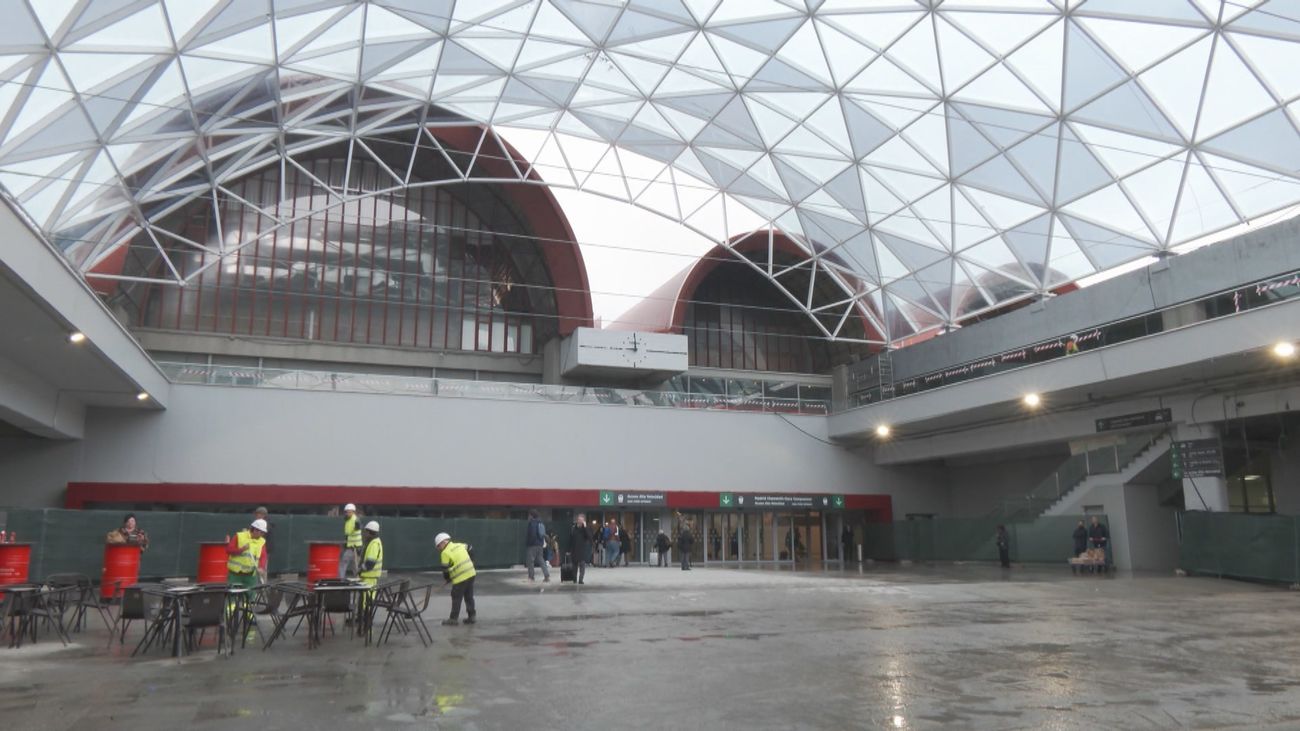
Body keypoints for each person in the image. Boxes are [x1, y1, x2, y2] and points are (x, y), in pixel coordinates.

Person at [436, 532, 476, 625]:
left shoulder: (445, 553)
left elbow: (445, 570)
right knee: (469, 596)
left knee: (456, 597)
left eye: (438, 546)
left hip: (460, 578)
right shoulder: (459, 545)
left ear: (443, 542)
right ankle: (472, 616)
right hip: (471, 574)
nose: (438, 549)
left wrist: (447, 578)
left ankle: (453, 619)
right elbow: (470, 548)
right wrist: (472, 562)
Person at [226, 518, 268, 591]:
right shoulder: (239, 536)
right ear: (254, 529)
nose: (261, 534)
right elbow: (229, 550)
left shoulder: (262, 541)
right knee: (233, 595)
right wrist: (242, 549)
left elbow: (263, 556)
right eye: (261, 532)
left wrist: (261, 567)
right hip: (235, 574)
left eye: (263, 533)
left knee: (251, 596)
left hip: (250, 575)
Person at [358, 521, 383, 622]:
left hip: (369, 578)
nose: (364, 534)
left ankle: (365, 621)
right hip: (369, 577)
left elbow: (370, 563)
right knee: (366, 600)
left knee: (366, 601)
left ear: (370, 532)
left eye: (366, 532)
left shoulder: (374, 544)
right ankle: (363, 619)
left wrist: (360, 569)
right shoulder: (373, 542)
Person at [524, 510, 550, 583]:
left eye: (529, 515)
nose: (528, 517)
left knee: (530, 561)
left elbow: (532, 534)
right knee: (541, 560)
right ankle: (547, 576)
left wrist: (529, 543)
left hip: (532, 545)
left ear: (531, 516)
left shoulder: (532, 523)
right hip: (540, 545)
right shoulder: (540, 522)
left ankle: (531, 577)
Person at [339, 503, 362, 579]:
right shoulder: (348, 520)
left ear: (353, 512)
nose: (347, 513)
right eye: (346, 512)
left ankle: (341, 579)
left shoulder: (355, 520)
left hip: (354, 547)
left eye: (349, 512)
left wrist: (358, 526)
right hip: (352, 546)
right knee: (354, 566)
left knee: (344, 564)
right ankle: (358, 580)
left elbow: (355, 529)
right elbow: (348, 534)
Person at [569, 515, 591, 584]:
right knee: (574, 566)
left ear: (584, 521)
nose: (580, 521)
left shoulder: (585, 529)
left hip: (582, 550)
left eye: (582, 520)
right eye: (579, 520)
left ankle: (580, 580)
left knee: (582, 566)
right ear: (577, 520)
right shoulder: (573, 528)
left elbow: (589, 537)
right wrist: (568, 550)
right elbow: (570, 539)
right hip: (574, 549)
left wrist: (585, 527)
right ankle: (574, 579)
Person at [253, 507, 272, 582]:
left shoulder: (265, 524)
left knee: (262, 568)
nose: (256, 515)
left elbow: (260, 537)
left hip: (264, 549)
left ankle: (263, 586)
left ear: (263, 515)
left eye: (258, 514)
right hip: (258, 549)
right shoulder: (258, 523)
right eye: (256, 514)